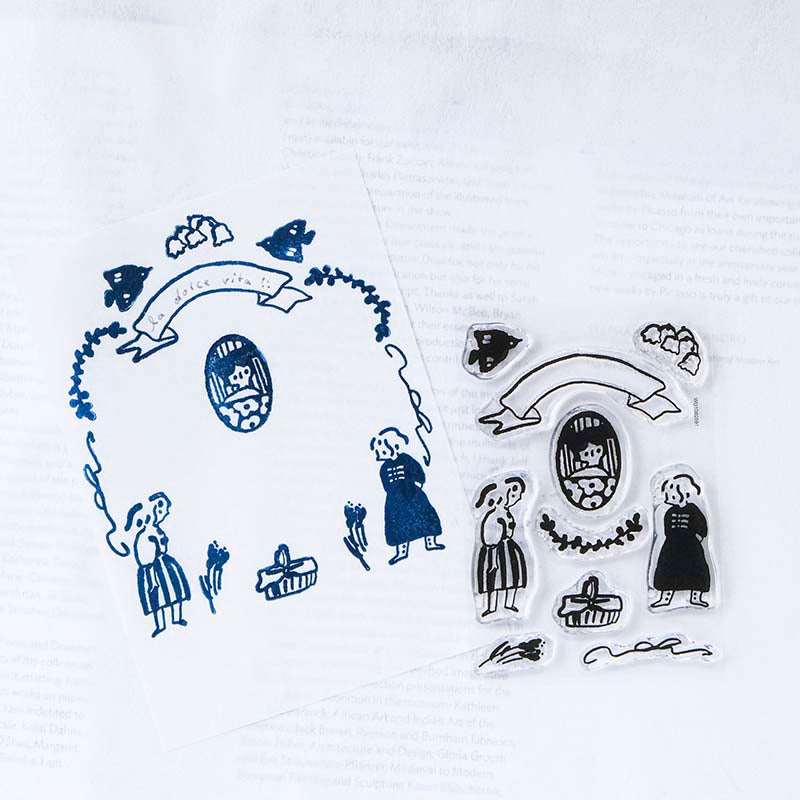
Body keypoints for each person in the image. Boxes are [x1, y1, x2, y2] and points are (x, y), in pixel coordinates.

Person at [370, 427, 444, 564]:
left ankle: (431, 542)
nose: (380, 454)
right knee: (398, 525)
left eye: (383, 451)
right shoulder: (384, 467)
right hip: (396, 501)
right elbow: (386, 484)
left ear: (393, 447)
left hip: (413, 495)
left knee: (426, 518)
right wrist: (394, 493)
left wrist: (418, 484)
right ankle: (401, 552)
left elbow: (417, 471)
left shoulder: (406, 459)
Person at [125, 492, 191, 638]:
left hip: (165, 565)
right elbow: (144, 556)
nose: (166, 513)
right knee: (158, 599)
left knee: (176, 593)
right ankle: (160, 625)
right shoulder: (146, 534)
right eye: (165, 509)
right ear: (157, 509)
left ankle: (177, 618)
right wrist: (152, 578)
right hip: (153, 570)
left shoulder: (156, 529)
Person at [651, 473, 710, 608]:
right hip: (671, 547)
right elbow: (667, 529)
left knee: (696, 570)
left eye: (672, 495)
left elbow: (702, 526)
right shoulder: (670, 512)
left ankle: (696, 597)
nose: (668, 498)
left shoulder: (693, 510)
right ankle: (665, 597)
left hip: (691, 547)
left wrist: (698, 538)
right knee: (668, 570)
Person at [474, 476, 528, 617]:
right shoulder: (494, 515)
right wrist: (492, 555)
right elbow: (489, 536)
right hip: (495, 550)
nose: (519, 498)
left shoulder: (506, 513)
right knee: (495, 578)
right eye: (516, 493)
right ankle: (491, 607)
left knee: (512, 577)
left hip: (508, 549)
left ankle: (509, 604)